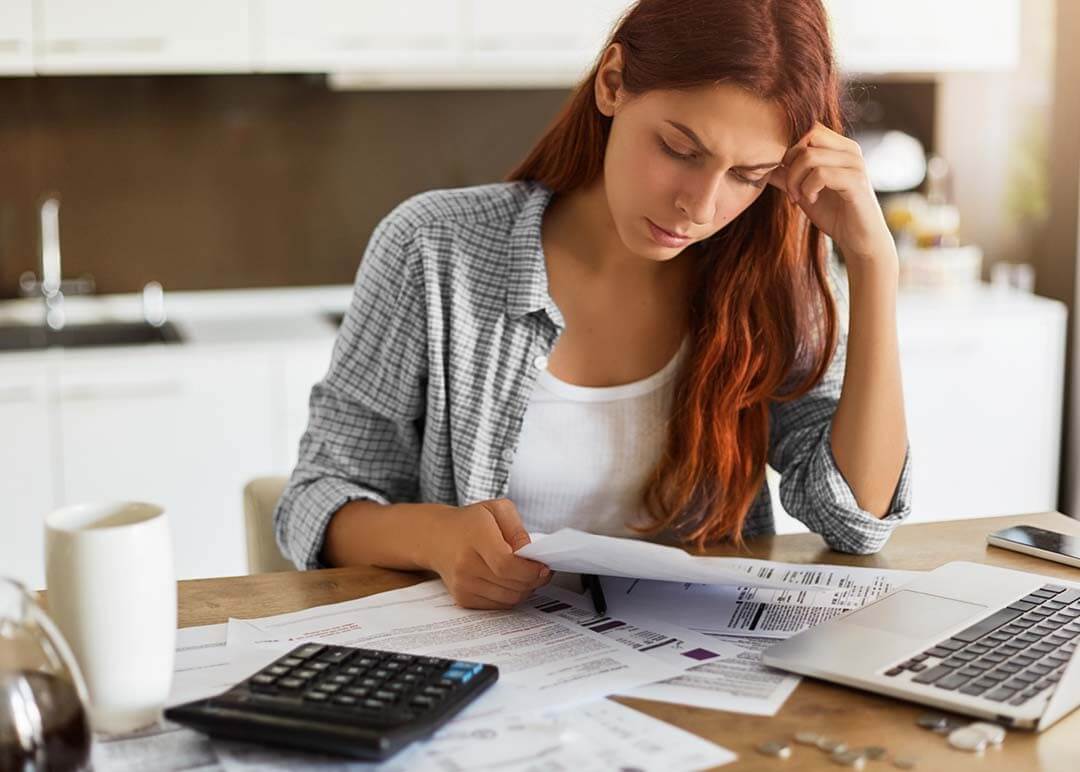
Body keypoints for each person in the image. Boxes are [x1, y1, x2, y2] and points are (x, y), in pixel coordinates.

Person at [274, 0, 912, 610]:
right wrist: (439, 538)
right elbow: (317, 499)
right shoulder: (436, 248)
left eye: (747, 176)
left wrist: (873, 262)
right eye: (680, 150)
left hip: (684, 676)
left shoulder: (775, 275)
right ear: (613, 83)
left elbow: (855, 518)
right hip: (479, 666)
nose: (700, 205)